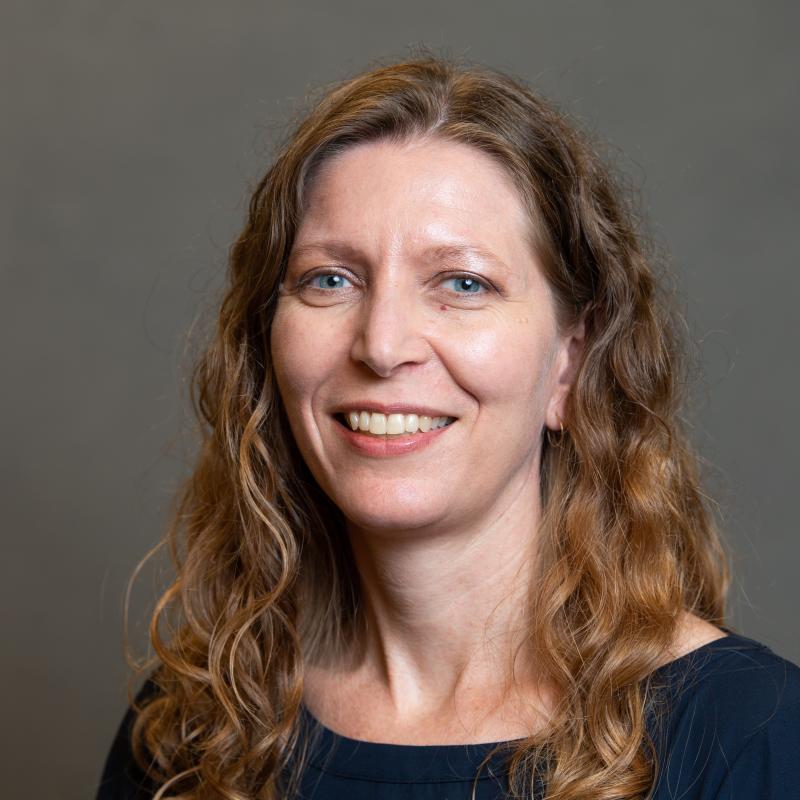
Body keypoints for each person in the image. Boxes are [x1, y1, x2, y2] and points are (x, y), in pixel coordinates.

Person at [96, 55, 800, 800]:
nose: (382, 345)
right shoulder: (193, 726)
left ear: (570, 361)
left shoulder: (748, 736)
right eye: (330, 279)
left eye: (463, 283)